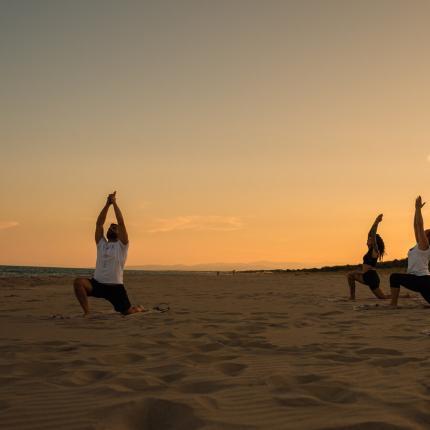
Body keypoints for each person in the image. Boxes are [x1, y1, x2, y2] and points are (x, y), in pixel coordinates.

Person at [73, 191, 144, 316]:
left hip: (115, 287)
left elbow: (121, 223)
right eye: (110, 227)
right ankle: (87, 313)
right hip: (97, 284)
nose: (111, 228)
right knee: (78, 283)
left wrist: (114, 203)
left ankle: (139, 308)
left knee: (127, 312)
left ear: (119, 233)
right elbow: (99, 224)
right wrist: (107, 204)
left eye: (114, 228)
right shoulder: (101, 244)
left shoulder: (122, 245)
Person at [389, 196, 430, 307]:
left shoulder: (425, 246)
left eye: (425, 232)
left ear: (427, 237)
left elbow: (420, 226)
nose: (423, 231)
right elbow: (416, 227)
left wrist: (419, 209)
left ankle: (393, 304)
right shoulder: (419, 245)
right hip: (422, 281)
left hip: (421, 279)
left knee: (394, 277)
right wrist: (416, 209)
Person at [347, 214, 389, 300]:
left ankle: (352, 297)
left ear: (374, 242)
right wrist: (375, 221)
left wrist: (377, 222)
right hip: (367, 276)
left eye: (370, 239)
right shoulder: (370, 250)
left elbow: (372, 235)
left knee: (350, 275)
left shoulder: (375, 250)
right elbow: (370, 234)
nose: (368, 239)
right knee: (383, 297)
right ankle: (404, 296)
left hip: (371, 277)